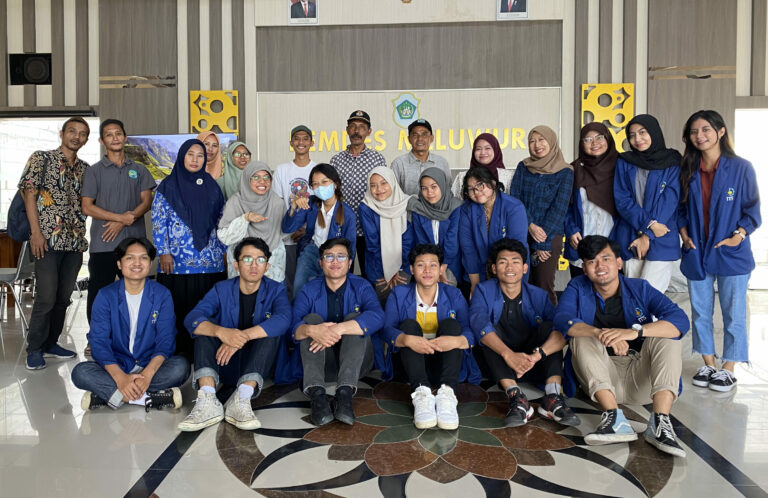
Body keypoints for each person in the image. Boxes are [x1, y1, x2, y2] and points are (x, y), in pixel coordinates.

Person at [554, 235, 689, 458]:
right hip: (601, 379)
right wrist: (601, 334)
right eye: (592, 261)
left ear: (618, 263)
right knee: (580, 334)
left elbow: (680, 320)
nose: (600, 266)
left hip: (641, 378)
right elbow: (562, 319)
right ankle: (614, 418)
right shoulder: (577, 286)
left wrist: (634, 332)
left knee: (668, 335)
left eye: (606, 259)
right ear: (584, 268)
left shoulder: (639, 288)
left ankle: (660, 422)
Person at [679, 110, 761, 392]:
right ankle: (708, 363)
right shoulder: (688, 168)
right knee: (700, 312)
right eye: (694, 132)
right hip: (696, 250)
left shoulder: (741, 168)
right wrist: (684, 235)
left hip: (731, 252)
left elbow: (752, 210)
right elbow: (680, 209)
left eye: (705, 129)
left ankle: (729, 367)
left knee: (733, 313)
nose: (699, 136)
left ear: (721, 131)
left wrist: (739, 236)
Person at [178, 237, 291, 431]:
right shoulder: (221, 289)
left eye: (260, 260)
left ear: (267, 266)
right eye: (247, 259)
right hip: (223, 362)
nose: (254, 265)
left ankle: (242, 399)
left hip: (257, 364)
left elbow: (284, 319)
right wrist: (221, 332)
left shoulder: (276, 289)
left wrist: (240, 337)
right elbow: (192, 318)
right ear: (236, 265)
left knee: (270, 330)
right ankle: (208, 400)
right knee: (205, 327)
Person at [470, 239, 579, 428]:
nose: (509, 267)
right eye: (503, 262)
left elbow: (562, 331)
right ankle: (516, 396)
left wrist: (537, 356)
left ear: (525, 268)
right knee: (487, 334)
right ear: (494, 268)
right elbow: (478, 322)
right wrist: (509, 355)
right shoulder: (483, 290)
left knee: (551, 327)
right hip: (499, 365)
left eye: (515, 261)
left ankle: (552, 396)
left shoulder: (539, 295)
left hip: (532, 363)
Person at [71, 237, 189, 410]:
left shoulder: (162, 294)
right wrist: (121, 378)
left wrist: (147, 376)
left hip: (149, 364)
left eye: (143, 258)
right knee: (80, 372)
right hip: (117, 365)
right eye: (130, 258)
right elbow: (99, 342)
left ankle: (109, 396)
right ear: (119, 264)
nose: (137, 263)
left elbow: (166, 340)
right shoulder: (105, 295)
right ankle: (148, 398)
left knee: (181, 367)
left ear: (150, 263)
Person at [19, 117, 90, 370]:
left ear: (86, 139)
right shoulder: (42, 158)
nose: (76, 136)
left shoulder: (85, 169)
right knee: (46, 297)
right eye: (72, 131)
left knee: (63, 298)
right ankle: (34, 349)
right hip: (46, 240)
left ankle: (51, 343)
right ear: (62, 133)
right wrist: (36, 233)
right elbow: (29, 194)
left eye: (82, 133)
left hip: (74, 243)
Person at [291, 238, 385, 426]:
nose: (335, 261)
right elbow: (292, 327)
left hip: (357, 364)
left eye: (341, 257)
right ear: (320, 263)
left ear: (349, 263)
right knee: (311, 321)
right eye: (329, 257)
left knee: (354, 318)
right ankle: (317, 395)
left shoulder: (361, 285)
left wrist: (338, 328)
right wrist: (312, 330)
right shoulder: (309, 289)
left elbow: (377, 317)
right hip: (320, 364)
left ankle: (344, 394)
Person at [382, 244, 476, 430]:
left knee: (452, 325)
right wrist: (406, 339)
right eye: (420, 265)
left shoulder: (454, 294)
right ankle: (421, 394)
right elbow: (386, 330)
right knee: (408, 325)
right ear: (411, 269)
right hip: (410, 366)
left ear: (441, 269)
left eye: (433, 265)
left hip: (444, 364)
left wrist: (457, 341)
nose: (427, 270)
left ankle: (447, 394)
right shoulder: (398, 294)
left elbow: (470, 331)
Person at [152, 139, 227, 359]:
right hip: (177, 261)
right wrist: (163, 251)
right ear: (182, 156)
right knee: (178, 308)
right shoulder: (167, 186)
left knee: (207, 308)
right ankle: (180, 354)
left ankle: (205, 353)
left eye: (200, 155)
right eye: (190, 154)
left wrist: (223, 250)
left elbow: (222, 220)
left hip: (210, 261)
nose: (195, 160)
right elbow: (158, 221)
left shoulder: (212, 186)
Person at [81, 119, 155, 327]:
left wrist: (124, 222)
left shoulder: (139, 170)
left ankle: (136, 335)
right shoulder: (94, 171)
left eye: (118, 133)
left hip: (135, 246)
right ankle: (96, 337)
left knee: (136, 294)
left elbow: (146, 202)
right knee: (99, 294)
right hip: (103, 243)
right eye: (109, 134)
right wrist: (121, 219)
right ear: (101, 141)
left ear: (125, 137)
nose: (114, 138)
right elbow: (87, 207)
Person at [614, 114, 682, 293]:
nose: (637, 139)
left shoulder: (672, 161)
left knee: (650, 295)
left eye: (642, 132)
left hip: (662, 234)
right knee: (632, 294)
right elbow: (622, 200)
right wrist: (649, 225)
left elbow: (670, 200)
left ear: (654, 132)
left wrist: (647, 235)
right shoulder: (624, 161)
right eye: (632, 135)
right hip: (630, 235)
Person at [510, 125, 573, 305]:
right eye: (532, 141)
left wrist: (542, 242)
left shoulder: (565, 171)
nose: (537, 145)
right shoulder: (523, 167)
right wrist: (530, 225)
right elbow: (516, 198)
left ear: (551, 141)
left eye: (541, 140)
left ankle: (550, 322)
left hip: (550, 236)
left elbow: (559, 208)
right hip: (522, 232)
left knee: (544, 286)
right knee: (522, 284)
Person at [282, 163, 356, 296]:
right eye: (315, 184)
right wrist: (294, 207)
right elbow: (287, 228)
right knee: (299, 288)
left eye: (324, 182)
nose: (320, 187)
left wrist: (343, 268)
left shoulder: (347, 213)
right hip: (312, 250)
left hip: (333, 256)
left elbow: (350, 247)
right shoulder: (310, 203)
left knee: (328, 292)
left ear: (335, 184)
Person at [330, 110, 387, 278]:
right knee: (341, 273)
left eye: (362, 127)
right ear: (347, 130)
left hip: (369, 228)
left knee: (372, 274)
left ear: (369, 132)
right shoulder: (336, 160)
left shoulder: (377, 159)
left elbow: (384, 193)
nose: (357, 131)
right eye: (353, 126)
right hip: (342, 226)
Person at [459, 167, 528, 296]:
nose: (476, 191)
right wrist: (475, 284)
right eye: (471, 189)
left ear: (493, 183)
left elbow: (515, 249)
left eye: (480, 185)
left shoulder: (514, 207)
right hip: (478, 269)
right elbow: (468, 249)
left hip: (509, 269)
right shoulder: (467, 209)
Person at [565, 123, 619, 278]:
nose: (594, 143)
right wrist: (571, 230)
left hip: (613, 242)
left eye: (599, 137)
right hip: (581, 242)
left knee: (612, 290)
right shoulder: (574, 170)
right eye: (588, 139)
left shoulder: (621, 167)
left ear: (608, 138)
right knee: (581, 288)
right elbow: (565, 206)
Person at [218, 162, 286, 282]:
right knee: (243, 292)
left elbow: (284, 233)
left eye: (266, 177)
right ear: (246, 179)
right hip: (242, 259)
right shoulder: (235, 202)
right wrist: (245, 218)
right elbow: (225, 237)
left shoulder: (277, 202)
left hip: (272, 260)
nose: (262, 181)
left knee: (271, 292)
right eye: (256, 177)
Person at [273, 125, 317, 299]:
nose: (301, 142)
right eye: (296, 138)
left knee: (309, 281)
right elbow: (277, 204)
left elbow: (322, 205)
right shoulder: (282, 170)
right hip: (287, 237)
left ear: (312, 143)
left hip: (312, 237)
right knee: (289, 283)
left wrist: (307, 229)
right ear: (291, 143)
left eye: (305, 138)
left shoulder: (318, 169)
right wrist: (291, 227)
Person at [360, 167, 415, 304]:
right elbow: (372, 243)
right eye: (373, 185)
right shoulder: (366, 207)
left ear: (392, 182)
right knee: (380, 304)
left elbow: (408, 241)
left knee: (401, 303)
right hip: (378, 266)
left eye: (384, 183)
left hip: (403, 264)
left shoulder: (406, 203)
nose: (379, 189)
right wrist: (388, 270)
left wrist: (397, 268)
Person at [407, 168, 462, 285]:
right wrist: (432, 266)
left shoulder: (455, 206)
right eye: (424, 188)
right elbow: (421, 242)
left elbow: (452, 241)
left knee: (448, 287)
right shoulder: (418, 208)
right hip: (426, 260)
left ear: (442, 185)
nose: (429, 192)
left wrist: (442, 268)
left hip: (450, 261)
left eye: (434, 187)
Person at [390, 119, 451, 196]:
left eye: (424, 134)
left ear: (431, 138)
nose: (420, 139)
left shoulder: (442, 162)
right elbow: (392, 194)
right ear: (409, 139)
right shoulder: (398, 164)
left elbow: (448, 191)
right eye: (415, 135)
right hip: (407, 204)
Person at [450, 133, 514, 199]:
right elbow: (455, 201)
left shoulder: (509, 177)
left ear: (495, 150)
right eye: (478, 149)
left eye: (487, 148)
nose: (483, 152)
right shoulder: (462, 177)